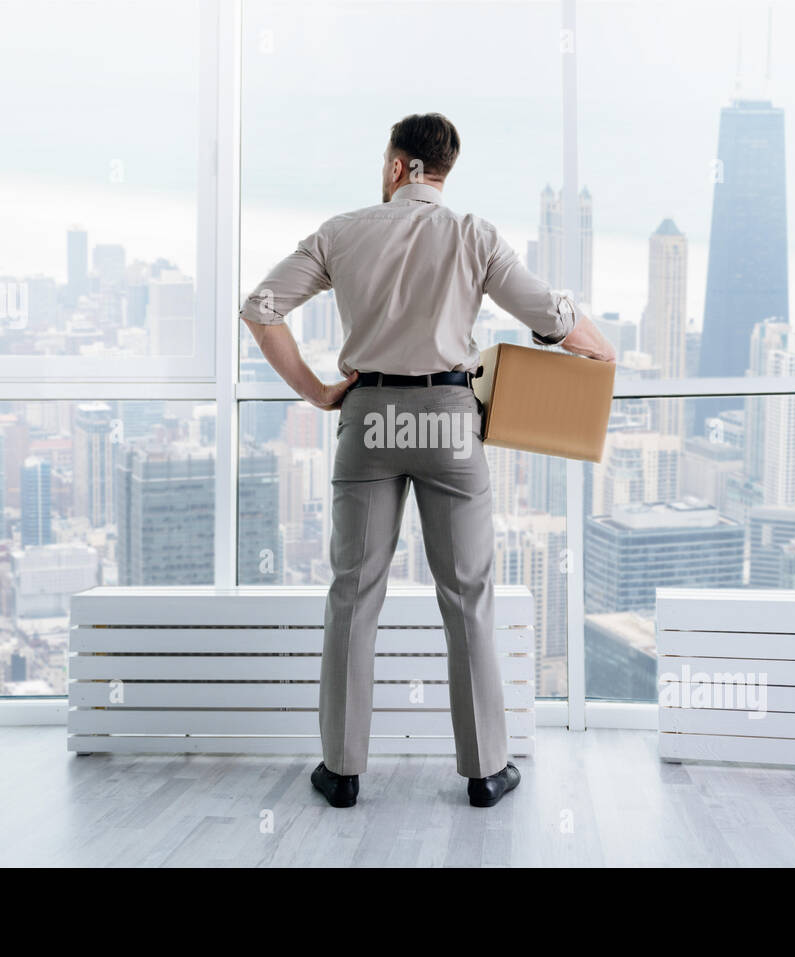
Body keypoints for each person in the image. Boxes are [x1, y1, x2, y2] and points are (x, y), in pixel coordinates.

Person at [239, 113, 616, 808]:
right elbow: (553, 316)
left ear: (396, 166)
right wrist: (601, 352)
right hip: (449, 425)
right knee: (467, 597)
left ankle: (343, 771)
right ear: (441, 171)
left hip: (368, 421)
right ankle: (485, 772)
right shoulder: (474, 235)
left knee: (354, 595)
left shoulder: (343, 231)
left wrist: (320, 390)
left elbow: (260, 307)